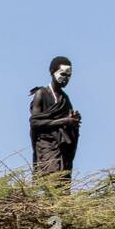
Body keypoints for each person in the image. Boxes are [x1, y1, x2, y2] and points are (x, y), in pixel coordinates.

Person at [29, 56, 82, 184]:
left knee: (62, 183)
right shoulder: (41, 94)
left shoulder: (65, 99)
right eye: (63, 74)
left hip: (63, 148)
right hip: (46, 145)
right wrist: (64, 121)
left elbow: (68, 124)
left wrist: (74, 122)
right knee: (51, 180)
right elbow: (34, 122)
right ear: (52, 71)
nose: (66, 79)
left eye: (69, 76)